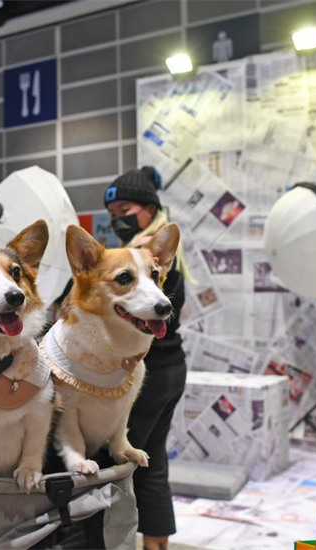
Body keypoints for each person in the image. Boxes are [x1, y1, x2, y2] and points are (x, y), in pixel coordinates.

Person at [104, 166, 191, 550]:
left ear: (148, 207)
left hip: (147, 372)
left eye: (125, 208)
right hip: (172, 369)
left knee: (119, 463)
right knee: (150, 463)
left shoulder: (144, 258)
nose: (118, 219)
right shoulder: (155, 257)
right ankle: (156, 545)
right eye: (112, 215)